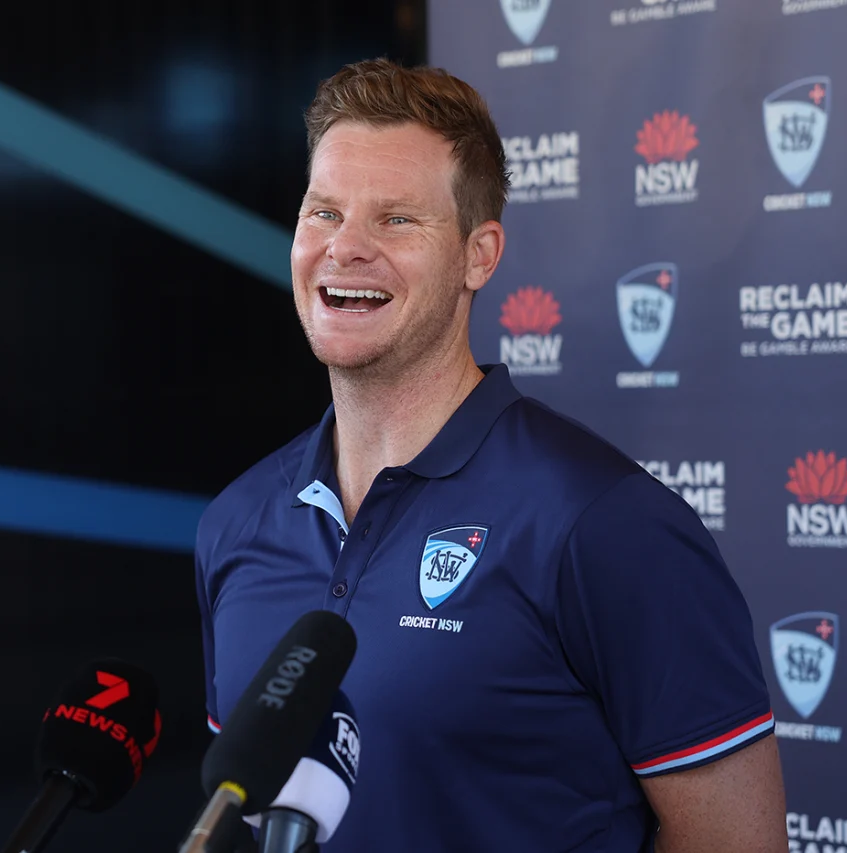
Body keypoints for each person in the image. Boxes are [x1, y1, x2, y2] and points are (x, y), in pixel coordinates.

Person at [194, 57, 787, 852]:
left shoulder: (604, 523)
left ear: (480, 254)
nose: (346, 248)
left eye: (397, 219)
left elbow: (736, 842)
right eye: (323, 212)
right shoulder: (235, 524)